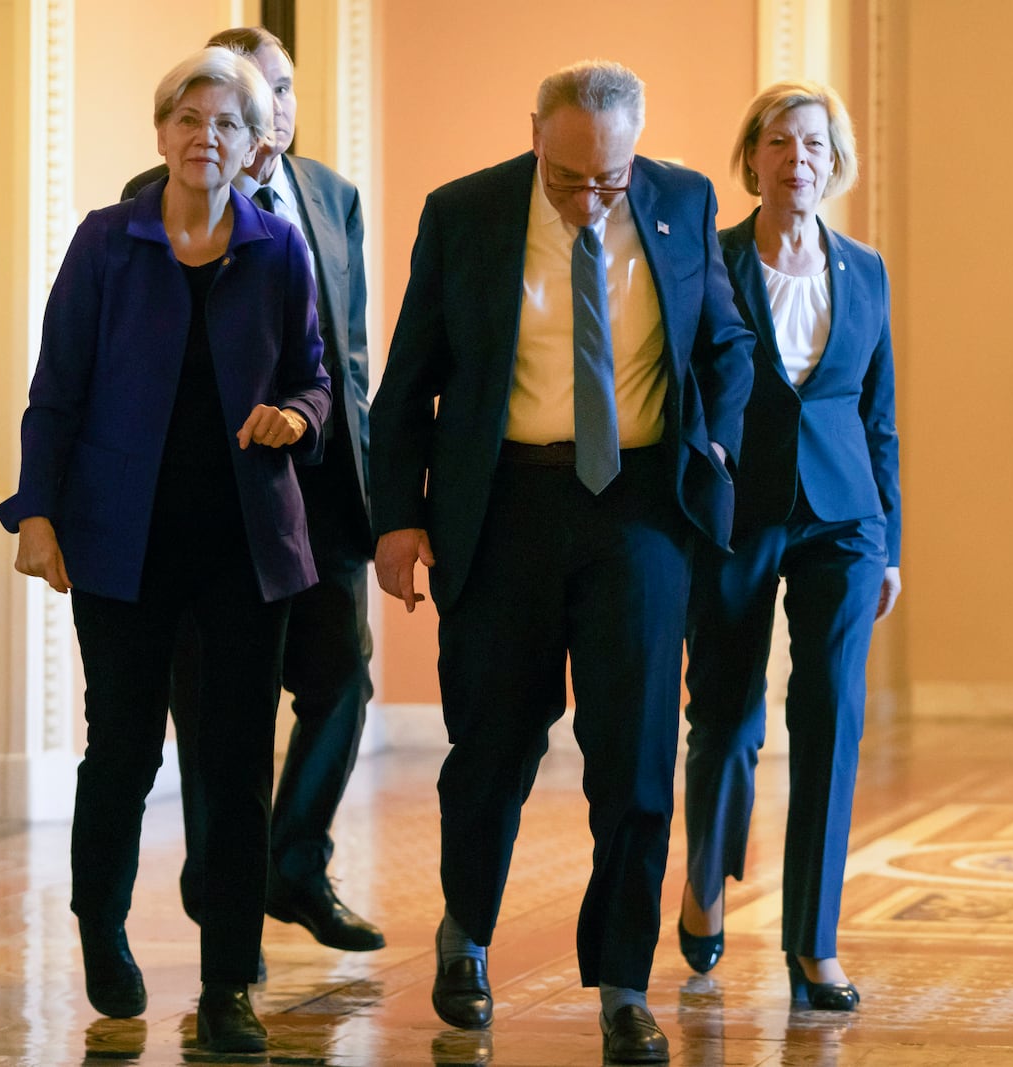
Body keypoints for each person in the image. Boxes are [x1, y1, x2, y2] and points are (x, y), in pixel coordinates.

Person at [370, 60, 754, 1065]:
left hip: (639, 505)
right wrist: (396, 519)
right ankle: (468, 930)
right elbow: (410, 378)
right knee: (492, 746)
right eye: (571, 177)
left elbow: (726, 342)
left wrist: (712, 443)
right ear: (535, 135)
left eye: (610, 179)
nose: (592, 199)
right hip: (505, 502)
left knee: (633, 758)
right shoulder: (466, 214)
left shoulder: (680, 200)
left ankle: (623, 983)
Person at [0, 46, 330, 1054]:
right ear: (161, 134)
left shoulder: (277, 252)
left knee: (232, 762)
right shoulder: (106, 244)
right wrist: (36, 512)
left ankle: (228, 979)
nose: (204, 136)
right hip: (120, 541)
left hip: (244, 545)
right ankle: (101, 921)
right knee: (125, 747)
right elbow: (55, 390)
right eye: (188, 117)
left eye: (226, 122)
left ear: (255, 145)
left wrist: (295, 421)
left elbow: (314, 378)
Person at [121, 27, 382, 956]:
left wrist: (379, 484)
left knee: (343, 677)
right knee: (216, 706)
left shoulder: (333, 196)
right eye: (250, 94)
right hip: (222, 493)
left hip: (325, 487)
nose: (269, 111)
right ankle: (219, 885)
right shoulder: (153, 203)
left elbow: (347, 354)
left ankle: (293, 861)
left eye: (283, 90)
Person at [674, 80, 901, 1013]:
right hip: (737, 512)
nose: (796, 159)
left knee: (831, 714)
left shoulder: (868, 270)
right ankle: (704, 879)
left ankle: (814, 944)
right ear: (753, 157)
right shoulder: (710, 261)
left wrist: (888, 539)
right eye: (779, 141)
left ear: (833, 163)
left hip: (844, 519)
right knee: (726, 715)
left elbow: (881, 415)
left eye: (813, 144)